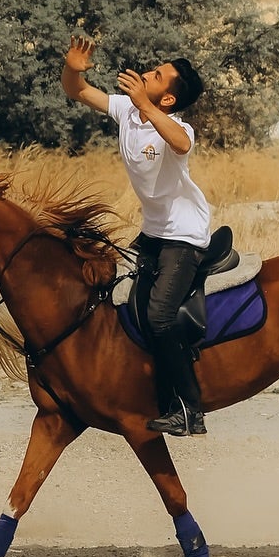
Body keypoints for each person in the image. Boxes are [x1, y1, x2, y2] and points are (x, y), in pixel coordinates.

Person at [62, 33, 211, 437]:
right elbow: (77, 91)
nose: (147, 73)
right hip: (153, 232)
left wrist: (144, 105)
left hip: (184, 235)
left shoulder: (176, 126)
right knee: (117, 300)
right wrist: (72, 69)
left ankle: (190, 410)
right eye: (152, 69)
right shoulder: (128, 110)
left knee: (159, 316)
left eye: (157, 76)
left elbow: (181, 143)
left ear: (168, 99)